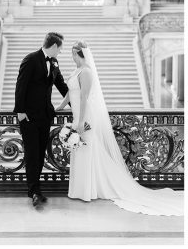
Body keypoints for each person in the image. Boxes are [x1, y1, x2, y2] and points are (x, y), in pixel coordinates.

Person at [57, 42, 183, 216]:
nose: (71, 56)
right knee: (80, 150)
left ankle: (89, 190)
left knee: (87, 149)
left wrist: (81, 121)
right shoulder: (76, 71)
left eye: (73, 53)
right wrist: (61, 107)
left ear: (79, 54)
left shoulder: (86, 72)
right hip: (77, 115)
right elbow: (70, 92)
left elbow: (85, 97)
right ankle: (81, 189)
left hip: (86, 117)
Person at [14, 32, 69, 207]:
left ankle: (36, 189)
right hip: (29, 117)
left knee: (40, 154)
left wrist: (75, 102)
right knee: (32, 155)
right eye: (60, 49)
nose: (60, 52)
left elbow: (61, 85)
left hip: (45, 116)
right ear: (53, 46)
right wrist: (20, 112)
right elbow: (20, 86)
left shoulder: (54, 62)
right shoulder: (30, 59)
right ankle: (34, 192)